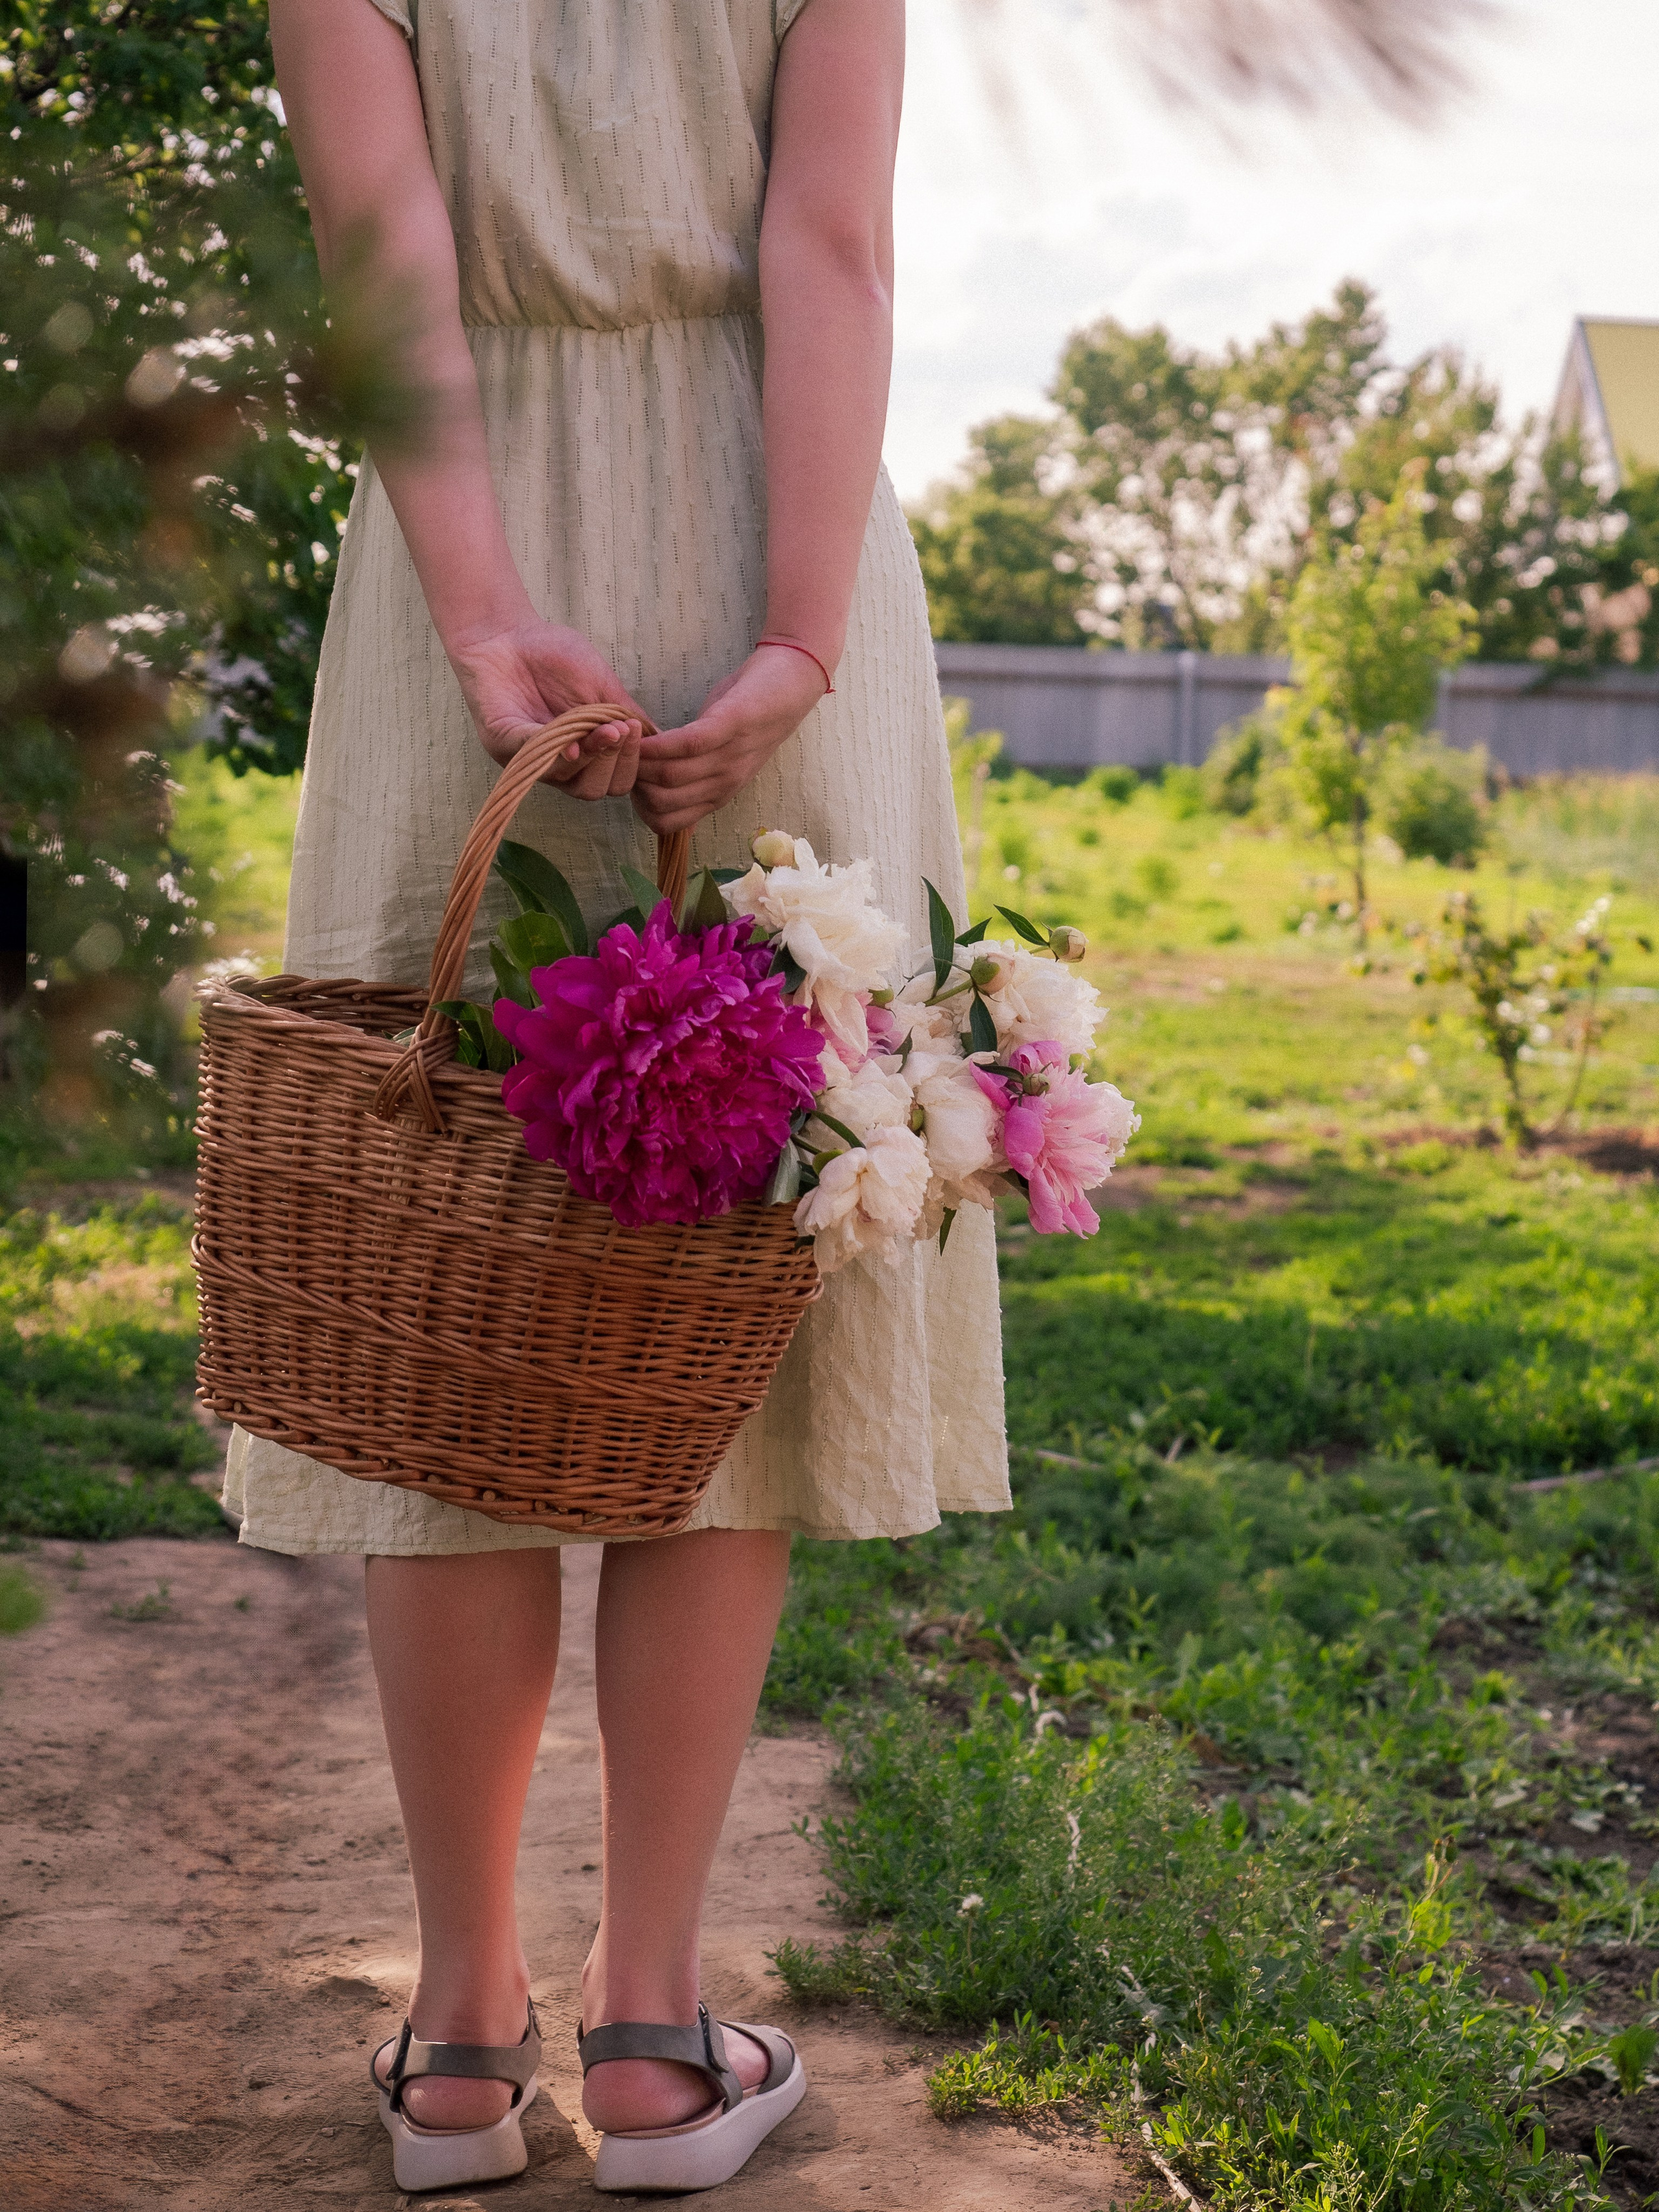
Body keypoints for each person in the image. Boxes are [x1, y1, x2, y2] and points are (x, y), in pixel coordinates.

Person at [235, 0, 1009, 2191]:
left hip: (460, 571)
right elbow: (831, 254)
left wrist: (488, 632)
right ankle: (658, 2043)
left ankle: (464, 2046)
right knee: (724, 1283)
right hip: (787, 525)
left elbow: (385, 259)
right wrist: (792, 643)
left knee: (440, 1293)